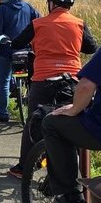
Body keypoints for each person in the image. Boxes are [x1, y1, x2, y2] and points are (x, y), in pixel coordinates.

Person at [7, 0, 97, 179]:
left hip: (43, 80)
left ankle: (25, 168)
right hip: (71, 80)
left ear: (52, 4)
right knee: (71, 121)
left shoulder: (38, 23)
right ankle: (78, 172)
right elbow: (91, 48)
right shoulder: (79, 24)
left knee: (34, 122)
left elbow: (17, 42)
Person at [41, 44, 101, 203]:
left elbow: (86, 85)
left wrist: (75, 109)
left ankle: (69, 195)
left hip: (97, 129)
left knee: (51, 123)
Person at [0, 0, 40, 122]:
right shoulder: (28, 7)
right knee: (30, 81)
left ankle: (2, 112)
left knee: (3, 82)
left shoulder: (1, 10)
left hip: (5, 51)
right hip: (25, 51)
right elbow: (39, 24)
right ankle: (31, 111)